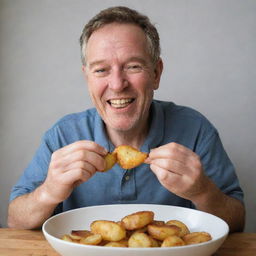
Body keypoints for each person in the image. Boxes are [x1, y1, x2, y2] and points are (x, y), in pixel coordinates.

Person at [8, 6, 245, 232]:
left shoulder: (196, 130)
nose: (117, 84)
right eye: (101, 70)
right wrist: (48, 192)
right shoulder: (62, 136)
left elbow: (237, 222)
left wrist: (203, 191)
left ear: (156, 73)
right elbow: (14, 220)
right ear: (87, 78)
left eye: (133, 66)